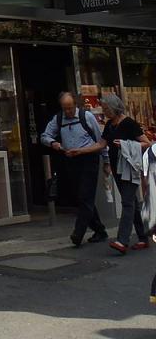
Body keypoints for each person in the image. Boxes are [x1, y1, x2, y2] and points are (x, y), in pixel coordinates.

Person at [40, 92, 108, 247]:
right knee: (82, 197)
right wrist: (53, 143)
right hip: (71, 160)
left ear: (75, 106)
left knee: (85, 195)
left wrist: (106, 161)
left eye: (70, 108)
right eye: (65, 109)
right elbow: (44, 136)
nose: (68, 112)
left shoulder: (87, 117)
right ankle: (100, 230)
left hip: (89, 159)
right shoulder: (58, 119)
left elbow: (100, 140)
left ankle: (78, 233)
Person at [100, 93, 150, 254]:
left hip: (129, 167)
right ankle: (143, 237)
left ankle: (122, 240)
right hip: (116, 168)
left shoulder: (129, 123)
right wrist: (79, 151)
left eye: (106, 108)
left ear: (114, 107)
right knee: (132, 203)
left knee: (128, 203)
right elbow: (101, 144)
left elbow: (146, 143)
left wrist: (125, 145)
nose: (104, 111)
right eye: (103, 108)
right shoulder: (109, 125)